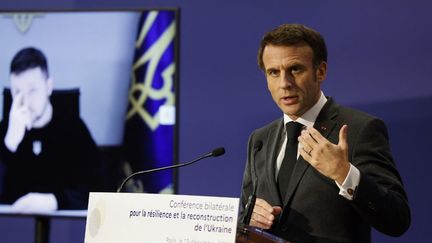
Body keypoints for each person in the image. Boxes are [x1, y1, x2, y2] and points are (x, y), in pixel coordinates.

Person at [239, 24, 410, 243]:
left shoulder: (359, 129)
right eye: (274, 72)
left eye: (295, 69)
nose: (284, 83)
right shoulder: (260, 139)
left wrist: (345, 174)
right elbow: (247, 212)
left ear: (320, 71)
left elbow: (398, 219)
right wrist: (249, 215)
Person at [0, 47, 104, 212]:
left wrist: (56, 201)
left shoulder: (73, 127)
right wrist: (9, 144)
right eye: (17, 92)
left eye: (32, 90)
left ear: (48, 86)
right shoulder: (7, 128)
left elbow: (99, 189)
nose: (25, 102)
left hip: (62, 231)